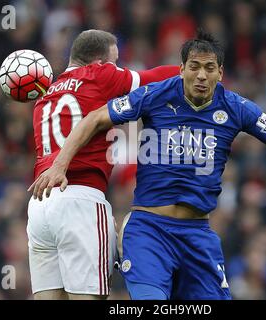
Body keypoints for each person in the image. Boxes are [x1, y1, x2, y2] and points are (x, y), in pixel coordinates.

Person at [29, 30, 266, 300]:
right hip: (149, 230)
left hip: (198, 233)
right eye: (194, 67)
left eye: (209, 68)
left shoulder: (237, 108)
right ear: (181, 69)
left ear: (221, 72)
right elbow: (95, 118)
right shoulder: (153, 95)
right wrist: (59, 165)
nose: (201, 75)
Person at [26, 29, 180, 300]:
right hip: (80, 201)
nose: (117, 67)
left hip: (41, 206)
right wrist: (193, 69)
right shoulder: (99, 75)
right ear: (100, 61)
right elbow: (156, 77)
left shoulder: (45, 93)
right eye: (115, 61)